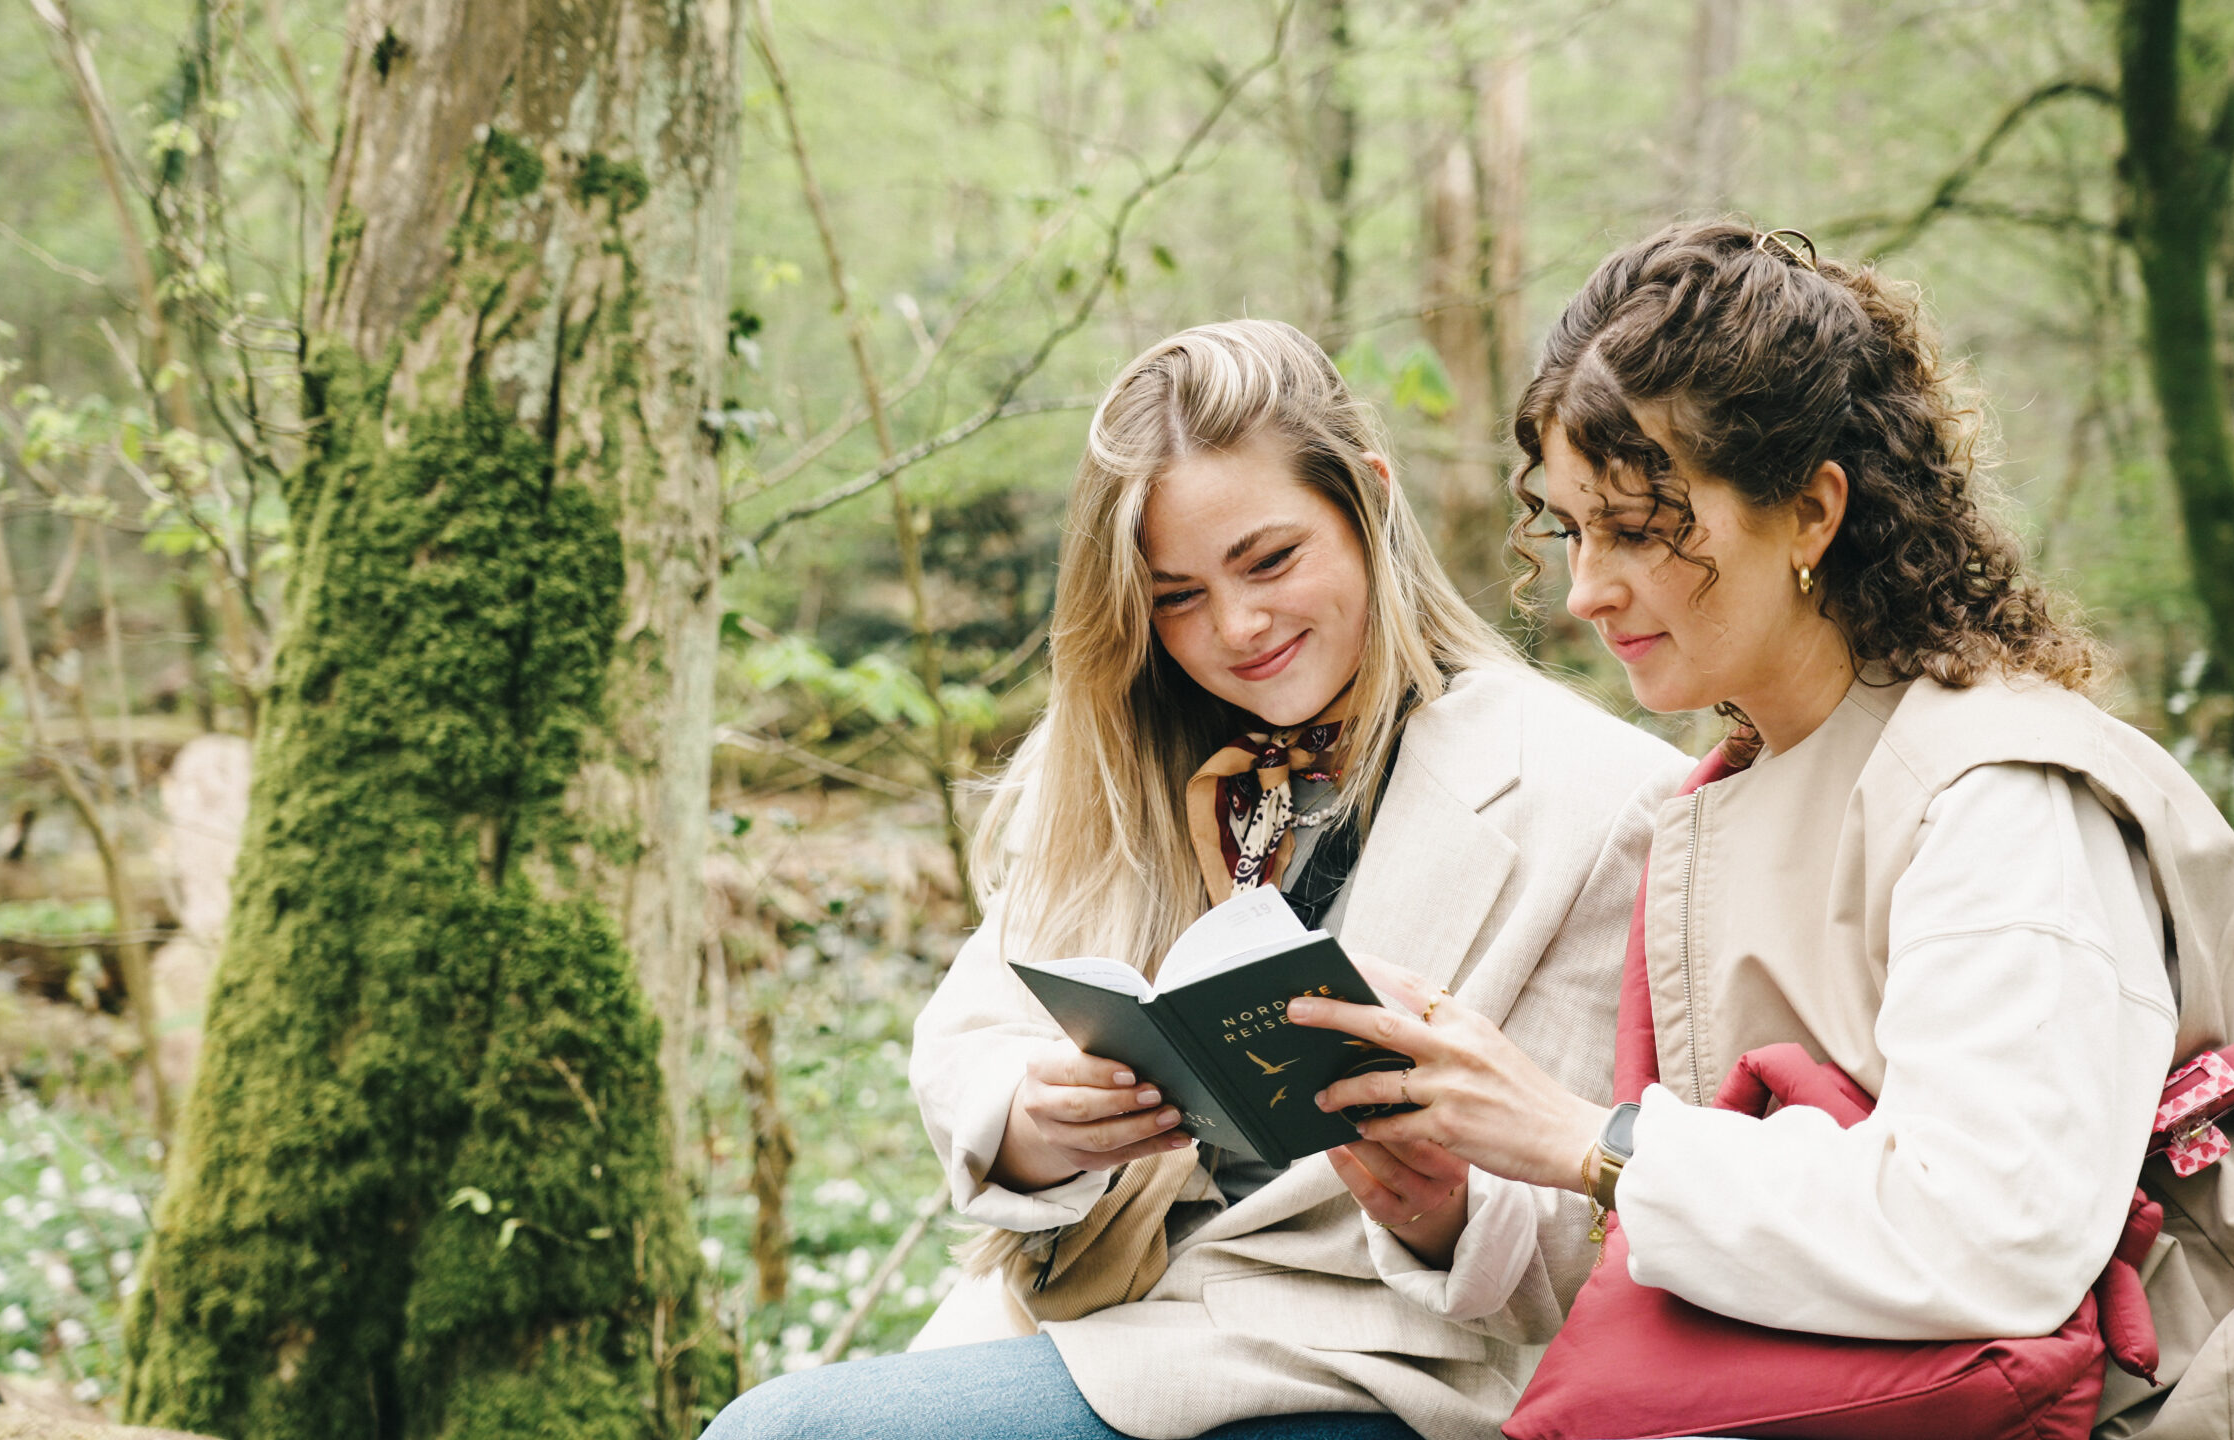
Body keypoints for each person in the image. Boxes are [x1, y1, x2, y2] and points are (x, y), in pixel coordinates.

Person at [1291, 222, 2234, 1438]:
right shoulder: (1723, 801)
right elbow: (1738, 1261)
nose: (1583, 590)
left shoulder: (1999, 798)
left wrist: (1587, 1138)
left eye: (1635, 528)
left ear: (1809, 513)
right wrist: (1458, 1200)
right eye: (1571, 531)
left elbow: (1990, 1240)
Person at [699, 319, 1681, 1440]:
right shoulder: (1120, 758)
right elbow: (968, 1044)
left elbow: (1590, 1225)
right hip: (1100, 1317)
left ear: (1369, 500)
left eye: (1269, 561)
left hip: (1371, 1364)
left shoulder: (1596, 798)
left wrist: (1445, 1211)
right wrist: (1039, 1119)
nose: (1237, 626)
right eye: (1174, 597)